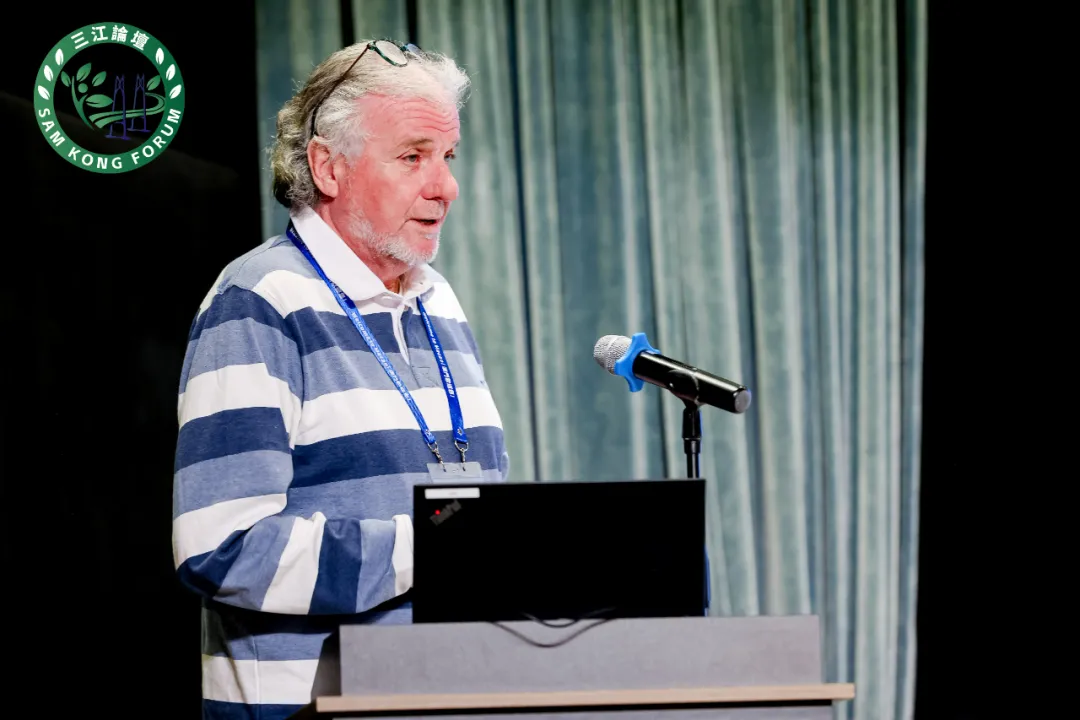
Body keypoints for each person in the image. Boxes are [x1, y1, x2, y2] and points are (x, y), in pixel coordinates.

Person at [172, 39, 509, 719]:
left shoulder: (438, 299)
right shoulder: (259, 299)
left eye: (448, 157)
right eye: (413, 156)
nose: (445, 187)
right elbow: (220, 548)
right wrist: (434, 548)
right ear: (328, 167)